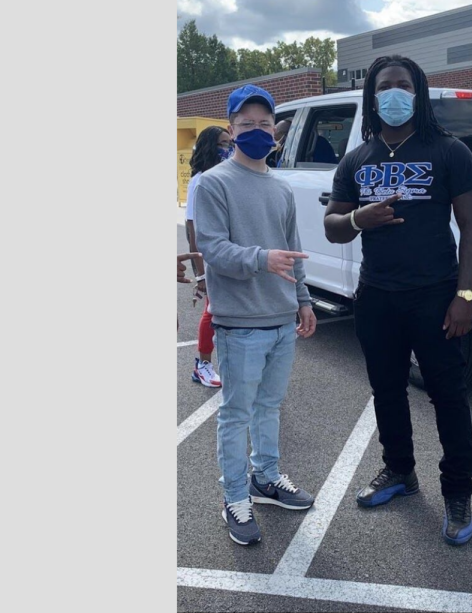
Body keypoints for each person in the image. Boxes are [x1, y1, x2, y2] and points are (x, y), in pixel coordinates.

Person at [324, 55, 472, 546]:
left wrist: (464, 295)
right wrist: (358, 221)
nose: (394, 93)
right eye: (384, 86)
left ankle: (458, 494)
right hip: (377, 296)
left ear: (418, 91)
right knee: (387, 391)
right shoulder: (357, 158)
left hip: (436, 296)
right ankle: (399, 472)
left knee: (448, 397)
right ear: (372, 97)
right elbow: (333, 226)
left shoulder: (449, 151)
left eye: (403, 84)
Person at [194, 84, 319, 546]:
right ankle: (234, 496)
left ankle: (265, 479)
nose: (256, 131)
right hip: (239, 325)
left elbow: (293, 252)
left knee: (269, 408)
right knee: (236, 414)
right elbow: (214, 249)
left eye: (264, 124)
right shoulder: (213, 183)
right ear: (231, 130)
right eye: (246, 124)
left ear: (276, 133)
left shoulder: (281, 190)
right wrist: (261, 259)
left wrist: (303, 301)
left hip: (282, 321)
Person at [185, 125, 233, 387]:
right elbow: (193, 231)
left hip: (227, 253)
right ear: (209, 147)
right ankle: (202, 364)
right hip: (210, 257)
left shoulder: (226, 177)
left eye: (229, 142)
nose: (227, 148)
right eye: (222, 144)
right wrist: (200, 273)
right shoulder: (200, 180)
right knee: (211, 312)